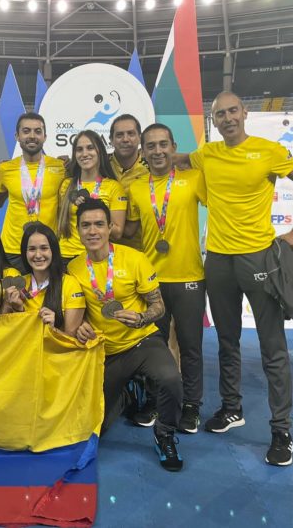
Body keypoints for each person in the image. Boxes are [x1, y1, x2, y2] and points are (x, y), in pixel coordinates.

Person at [172, 91, 293, 467]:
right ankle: (231, 408)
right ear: (214, 120)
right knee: (226, 340)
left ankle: (281, 430)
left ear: (245, 113)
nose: (227, 118)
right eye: (220, 114)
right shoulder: (209, 153)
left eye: (232, 111)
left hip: (259, 259)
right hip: (219, 261)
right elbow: (171, 158)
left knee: (273, 347)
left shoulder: (268, 151)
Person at [69, 198, 184, 472]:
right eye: (86, 225)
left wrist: (141, 317)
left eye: (99, 224)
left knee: (171, 379)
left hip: (142, 341)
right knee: (100, 427)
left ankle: (165, 435)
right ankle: (129, 395)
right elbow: (75, 309)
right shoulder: (73, 268)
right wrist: (81, 323)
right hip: (106, 351)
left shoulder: (134, 258)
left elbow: (159, 306)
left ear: (110, 227)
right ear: (78, 230)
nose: (93, 231)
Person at [124, 123, 207, 434]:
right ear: (142, 152)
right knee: (154, 346)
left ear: (173, 147)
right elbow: (129, 231)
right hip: (151, 282)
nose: (157, 151)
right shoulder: (135, 189)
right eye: (151, 146)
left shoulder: (194, 179)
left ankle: (191, 406)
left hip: (189, 278)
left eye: (163, 145)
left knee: (190, 346)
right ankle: (157, 401)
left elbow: (216, 182)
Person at [0, 113, 66, 271]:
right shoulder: (4, 169)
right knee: (13, 295)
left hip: (48, 248)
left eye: (37, 131)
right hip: (13, 248)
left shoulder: (61, 167)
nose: (32, 136)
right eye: (26, 131)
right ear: (17, 136)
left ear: (45, 136)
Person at [4, 222, 85, 337]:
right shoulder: (16, 286)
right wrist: (19, 310)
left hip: (55, 354)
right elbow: (8, 334)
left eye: (44, 248)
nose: (38, 255)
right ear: (24, 253)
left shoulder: (70, 284)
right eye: (32, 249)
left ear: (53, 251)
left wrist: (52, 329)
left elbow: (71, 341)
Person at [57, 130, 127, 263]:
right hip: (64, 257)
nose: (84, 154)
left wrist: (93, 208)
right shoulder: (66, 185)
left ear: (99, 152)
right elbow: (60, 223)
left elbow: (117, 233)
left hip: (95, 256)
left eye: (90, 148)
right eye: (79, 149)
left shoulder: (114, 187)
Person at [109, 114, 149, 250]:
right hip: (103, 251)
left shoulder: (152, 170)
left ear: (139, 138)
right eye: (119, 135)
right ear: (111, 140)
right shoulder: (99, 165)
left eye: (131, 134)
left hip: (142, 252)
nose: (125, 139)